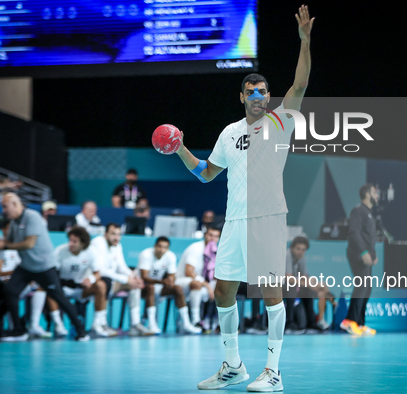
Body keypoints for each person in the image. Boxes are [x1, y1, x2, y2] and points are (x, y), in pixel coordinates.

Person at [174, 6, 313, 391]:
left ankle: (274, 372)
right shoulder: (228, 132)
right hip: (234, 221)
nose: (257, 95)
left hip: (268, 217)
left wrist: (304, 42)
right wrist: (180, 148)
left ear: (269, 97)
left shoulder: (281, 120)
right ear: (241, 97)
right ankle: (233, 365)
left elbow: (299, 85)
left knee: (270, 292)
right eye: (250, 91)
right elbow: (205, 173)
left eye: (263, 91)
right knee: (223, 291)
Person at [0, 193, 90, 341]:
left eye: (5, 206)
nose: (3, 210)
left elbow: (29, 244)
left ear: (15, 204)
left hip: (44, 267)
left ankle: (81, 331)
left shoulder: (32, 216)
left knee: (59, 298)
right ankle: (18, 330)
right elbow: (9, 242)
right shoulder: (14, 222)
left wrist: (6, 245)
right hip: (26, 267)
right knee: (9, 291)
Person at [48, 226, 115, 337]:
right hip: (63, 289)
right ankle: (58, 325)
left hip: (82, 289)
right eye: (70, 240)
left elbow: (98, 273)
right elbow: (52, 273)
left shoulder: (92, 252)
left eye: (75, 241)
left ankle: (97, 324)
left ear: (83, 243)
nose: (71, 244)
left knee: (101, 285)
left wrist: (90, 279)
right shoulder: (60, 251)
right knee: (50, 289)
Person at [90, 223, 152, 336]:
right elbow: (101, 271)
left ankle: (135, 324)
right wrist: (125, 279)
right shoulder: (98, 243)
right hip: (94, 283)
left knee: (134, 285)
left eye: (119, 235)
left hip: (112, 282)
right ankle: (100, 324)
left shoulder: (117, 246)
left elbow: (122, 267)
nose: (116, 237)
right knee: (105, 282)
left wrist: (134, 277)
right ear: (105, 234)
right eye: (113, 234)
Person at [138, 236, 202, 334]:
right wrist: (162, 282)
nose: (161, 250)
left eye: (164, 247)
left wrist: (170, 280)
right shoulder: (146, 254)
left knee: (177, 288)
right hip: (141, 288)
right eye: (159, 246)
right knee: (150, 287)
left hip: (159, 287)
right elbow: (144, 277)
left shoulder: (170, 256)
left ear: (168, 248)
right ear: (154, 246)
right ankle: (151, 324)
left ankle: (186, 323)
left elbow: (172, 276)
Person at [340, 184, 379, 337]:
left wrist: (373, 255)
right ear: (367, 194)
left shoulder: (369, 213)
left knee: (367, 288)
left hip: (366, 256)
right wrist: (363, 252)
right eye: (375, 192)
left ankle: (360, 324)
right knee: (361, 286)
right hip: (357, 255)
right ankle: (349, 321)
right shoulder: (358, 211)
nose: (377, 196)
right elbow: (354, 233)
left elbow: (369, 238)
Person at [284, 236, 335, 332]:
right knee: (295, 288)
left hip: (295, 286)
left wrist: (314, 284)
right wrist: (308, 284)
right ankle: (289, 322)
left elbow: (304, 277)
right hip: (281, 286)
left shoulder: (301, 258)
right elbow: (288, 278)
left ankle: (314, 322)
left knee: (315, 289)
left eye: (303, 250)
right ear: (292, 248)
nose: (300, 252)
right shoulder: (287, 255)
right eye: (298, 249)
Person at [175, 226, 221, 327]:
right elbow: (189, 272)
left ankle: (219, 323)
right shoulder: (195, 248)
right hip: (182, 282)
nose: (213, 239)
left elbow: (215, 275)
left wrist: (214, 286)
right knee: (197, 284)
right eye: (210, 235)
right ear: (205, 235)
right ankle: (195, 320)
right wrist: (208, 286)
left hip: (203, 285)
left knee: (224, 289)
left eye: (216, 236)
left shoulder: (216, 251)